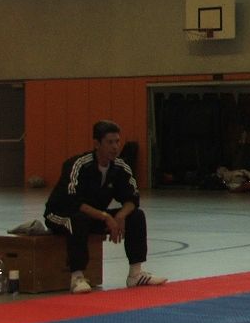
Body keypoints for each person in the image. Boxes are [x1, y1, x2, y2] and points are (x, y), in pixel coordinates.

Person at [44, 120, 167, 294]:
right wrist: (106, 217)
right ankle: (77, 276)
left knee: (136, 215)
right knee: (77, 220)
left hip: (94, 215)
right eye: (110, 142)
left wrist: (121, 216)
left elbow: (132, 198)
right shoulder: (78, 165)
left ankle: (135, 273)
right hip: (61, 214)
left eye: (117, 141)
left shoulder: (120, 167)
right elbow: (74, 202)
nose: (115, 147)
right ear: (97, 144)